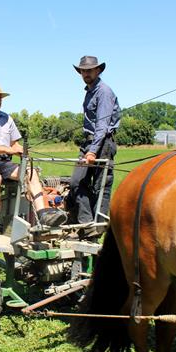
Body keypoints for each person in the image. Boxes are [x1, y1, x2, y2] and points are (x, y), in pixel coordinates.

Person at [0, 81, 67, 245]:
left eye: (0, 97)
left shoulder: (7, 118)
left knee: (31, 172)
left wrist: (22, 151)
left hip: (4, 163)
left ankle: (43, 215)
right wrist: (8, 150)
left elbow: (14, 144)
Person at [70, 56, 121, 239]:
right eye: (83, 70)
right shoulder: (90, 91)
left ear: (98, 71)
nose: (86, 74)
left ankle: (96, 229)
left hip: (102, 142)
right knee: (76, 183)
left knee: (101, 186)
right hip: (89, 141)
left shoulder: (104, 92)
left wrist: (92, 150)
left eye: (89, 70)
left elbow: (102, 124)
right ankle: (86, 224)